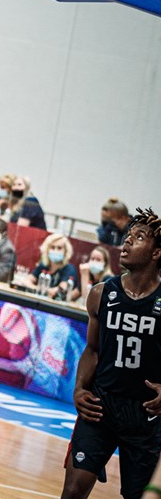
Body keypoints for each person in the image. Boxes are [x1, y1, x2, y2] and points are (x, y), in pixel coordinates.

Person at [60, 207, 161, 499]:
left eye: (139, 238)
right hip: (100, 407)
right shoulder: (102, 293)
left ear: (156, 253)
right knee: (72, 492)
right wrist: (79, 389)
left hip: (145, 415)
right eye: (127, 236)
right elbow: (92, 350)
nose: (127, 242)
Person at [21, 233, 77, 300]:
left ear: (65, 251)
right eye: (52, 247)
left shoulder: (69, 269)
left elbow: (60, 291)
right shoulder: (44, 265)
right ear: (47, 249)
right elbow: (26, 281)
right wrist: (38, 289)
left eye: (59, 248)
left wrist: (37, 289)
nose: (55, 251)